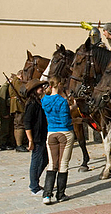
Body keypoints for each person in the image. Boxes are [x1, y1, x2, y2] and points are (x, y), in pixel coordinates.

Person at [41, 76, 75, 204]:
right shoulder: (62, 101)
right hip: (64, 133)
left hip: (51, 133)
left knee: (52, 163)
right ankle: (60, 195)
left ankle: (47, 195)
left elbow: (53, 114)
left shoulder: (44, 100)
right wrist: (73, 110)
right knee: (63, 164)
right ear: (59, 84)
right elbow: (65, 120)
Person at [23, 79, 49, 195]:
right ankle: (34, 186)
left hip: (42, 134)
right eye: (40, 87)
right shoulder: (31, 104)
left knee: (46, 159)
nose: (42, 89)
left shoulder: (39, 102)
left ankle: (34, 181)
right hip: (36, 137)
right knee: (36, 160)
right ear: (34, 90)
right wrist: (30, 140)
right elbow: (27, 123)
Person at [9, 70, 28, 152]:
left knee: (17, 124)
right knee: (19, 124)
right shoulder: (17, 82)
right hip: (18, 105)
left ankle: (18, 143)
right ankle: (19, 144)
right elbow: (22, 92)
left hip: (15, 104)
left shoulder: (14, 81)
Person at [0, 81, 15, 150]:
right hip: (5, 111)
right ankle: (3, 143)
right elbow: (1, 101)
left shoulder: (8, 87)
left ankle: (8, 142)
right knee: (5, 128)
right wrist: (4, 113)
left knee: (9, 127)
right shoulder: (4, 87)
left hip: (8, 111)